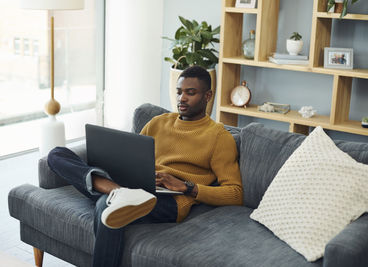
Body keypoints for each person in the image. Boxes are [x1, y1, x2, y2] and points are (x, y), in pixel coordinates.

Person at [47, 65, 243, 267]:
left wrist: (187, 186)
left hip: (170, 199)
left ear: (208, 95)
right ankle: (118, 191)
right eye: (179, 92)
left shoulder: (219, 137)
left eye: (190, 93)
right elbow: (134, 156)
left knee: (105, 205)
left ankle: (113, 192)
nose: (181, 98)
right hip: (137, 184)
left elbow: (236, 194)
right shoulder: (159, 122)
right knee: (56, 154)